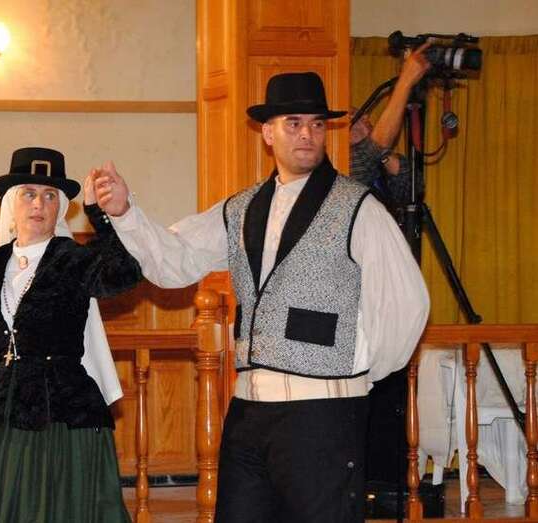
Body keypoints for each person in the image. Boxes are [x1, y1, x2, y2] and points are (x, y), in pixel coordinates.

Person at [93, 72, 430, 522]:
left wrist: (356, 380)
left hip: (323, 412)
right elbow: (177, 259)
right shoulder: (242, 207)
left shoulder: (359, 207)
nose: (307, 134)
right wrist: (125, 213)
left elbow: (406, 304)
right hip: (249, 412)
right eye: (294, 123)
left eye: (315, 124)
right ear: (268, 133)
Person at [0, 147, 142, 523]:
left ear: (61, 208)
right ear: (12, 203)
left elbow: (125, 273)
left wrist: (100, 215)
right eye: (29, 194)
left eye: (50, 196)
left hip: (62, 409)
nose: (39, 204)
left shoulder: (76, 259)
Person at [350, 43, 431, 212]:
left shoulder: (382, 158)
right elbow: (374, 148)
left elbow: (414, 189)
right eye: (354, 116)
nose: (365, 118)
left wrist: (385, 155)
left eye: (364, 114)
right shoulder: (346, 163)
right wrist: (406, 80)